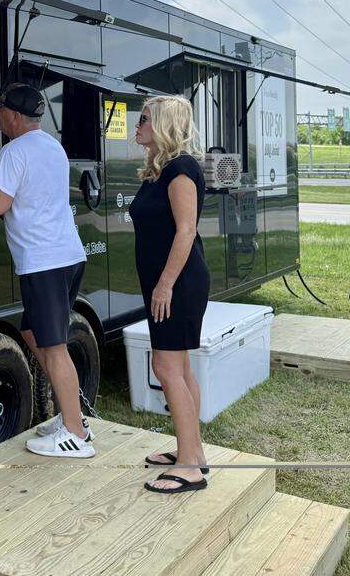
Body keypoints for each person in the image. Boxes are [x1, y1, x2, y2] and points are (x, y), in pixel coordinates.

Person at [0, 83, 93, 458]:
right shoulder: (53, 147)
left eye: (0, 109)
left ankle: (76, 432)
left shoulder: (14, 150)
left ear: (15, 116)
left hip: (44, 262)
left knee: (55, 349)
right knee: (31, 330)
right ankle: (71, 414)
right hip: (68, 256)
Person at [129, 95, 211, 494]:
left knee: (166, 368)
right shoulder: (159, 170)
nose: (137, 123)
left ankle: (190, 465)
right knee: (180, 369)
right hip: (167, 283)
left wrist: (165, 285)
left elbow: (186, 231)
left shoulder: (181, 169)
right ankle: (191, 451)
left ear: (162, 123)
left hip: (177, 283)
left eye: (144, 118)